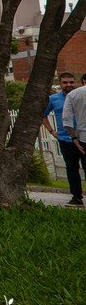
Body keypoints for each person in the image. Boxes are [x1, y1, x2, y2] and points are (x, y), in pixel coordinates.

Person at [44, 71, 83, 206]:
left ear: (76, 83)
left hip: (83, 138)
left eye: (71, 82)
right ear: (60, 84)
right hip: (65, 139)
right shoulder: (53, 99)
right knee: (72, 168)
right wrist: (52, 131)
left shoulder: (80, 96)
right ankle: (77, 197)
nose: (69, 85)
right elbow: (43, 115)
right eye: (65, 83)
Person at [61, 72, 86, 206]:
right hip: (70, 139)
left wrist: (74, 137)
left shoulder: (74, 95)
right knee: (73, 167)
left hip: (82, 137)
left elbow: (66, 119)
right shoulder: (57, 98)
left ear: (83, 81)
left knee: (74, 168)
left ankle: (77, 198)